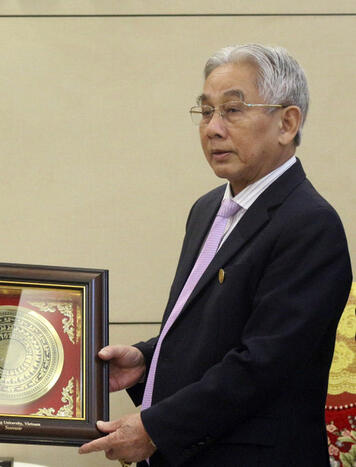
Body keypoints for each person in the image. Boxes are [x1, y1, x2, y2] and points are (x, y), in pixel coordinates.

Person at [79, 44, 352, 466]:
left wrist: (157, 429)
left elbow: (262, 365)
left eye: (233, 110)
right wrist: (146, 360)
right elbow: (211, 330)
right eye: (206, 112)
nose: (213, 129)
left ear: (287, 123)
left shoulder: (310, 224)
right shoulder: (208, 209)